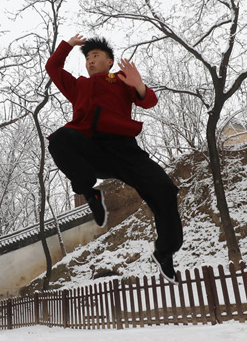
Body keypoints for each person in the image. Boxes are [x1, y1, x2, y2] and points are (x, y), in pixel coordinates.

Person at [45, 34, 183, 282]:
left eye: (95, 55)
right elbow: (52, 67)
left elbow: (149, 101)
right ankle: (89, 191)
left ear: (109, 61)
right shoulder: (78, 86)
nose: (90, 60)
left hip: (123, 149)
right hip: (90, 145)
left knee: (164, 190)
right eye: (87, 57)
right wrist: (68, 45)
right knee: (59, 139)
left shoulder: (120, 81)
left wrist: (139, 85)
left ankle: (165, 252)